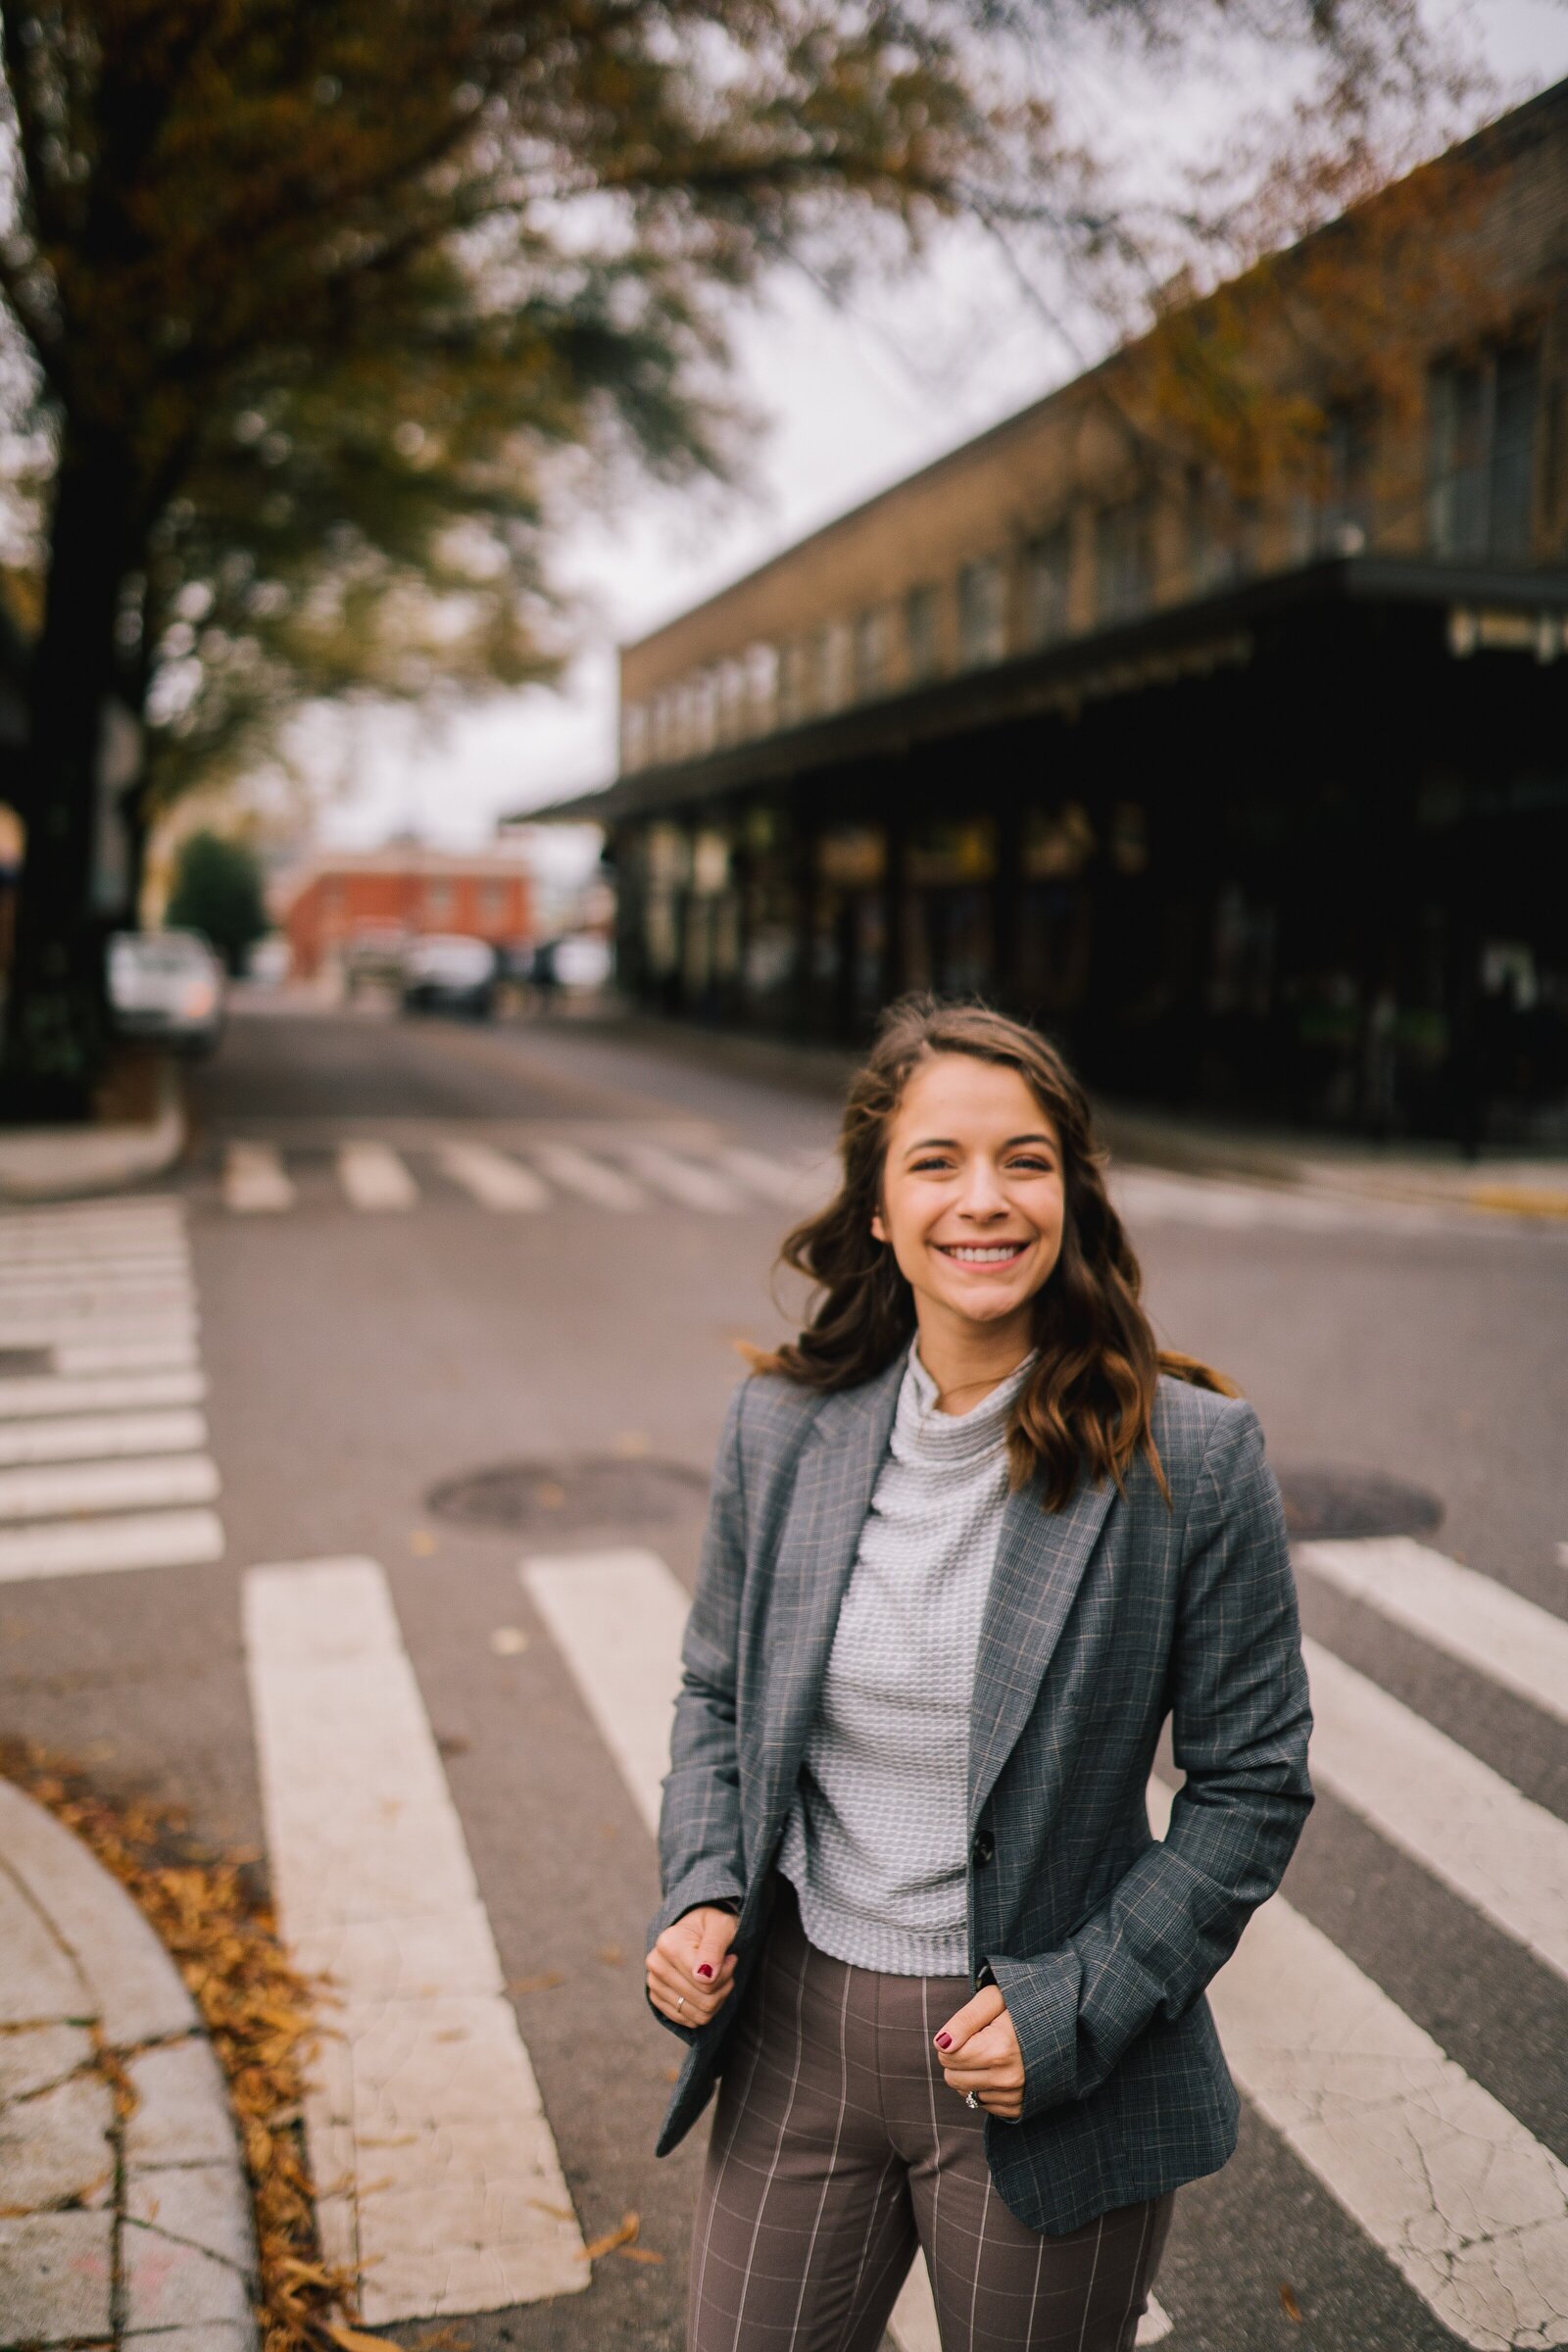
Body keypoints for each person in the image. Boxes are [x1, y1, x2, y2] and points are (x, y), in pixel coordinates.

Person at [646, 996, 1313, 2352]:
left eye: (1025, 1160)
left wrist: (1078, 2003)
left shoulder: (1189, 1458)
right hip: (795, 2036)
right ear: (878, 1210)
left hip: (1047, 2070)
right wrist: (703, 1890)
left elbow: (1252, 1786)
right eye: (936, 1162)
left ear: (1071, 1194)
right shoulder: (780, 1428)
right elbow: (716, 1696)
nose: (984, 1199)